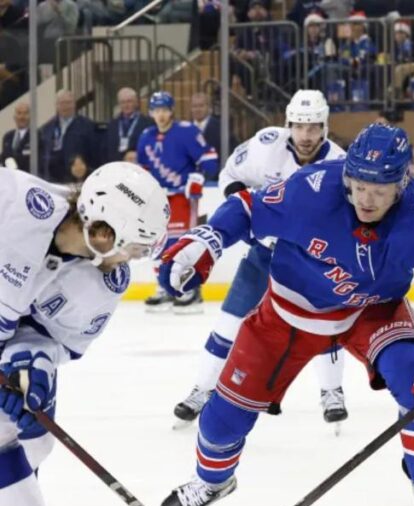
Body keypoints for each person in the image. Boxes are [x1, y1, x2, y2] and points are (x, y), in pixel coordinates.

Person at [155, 124, 414, 506]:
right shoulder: (312, 189)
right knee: (223, 420)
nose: (366, 200)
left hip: (372, 311)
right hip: (288, 314)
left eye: (379, 191)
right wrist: (209, 237)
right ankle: (212, 481)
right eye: (359, 187)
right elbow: (248, 208)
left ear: (402, 184)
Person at [0, 161, 168, 506]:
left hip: (9, 341)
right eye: (134, 246)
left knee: (34, 438)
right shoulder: (15, 204)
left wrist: (33, 360)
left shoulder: (103, 282)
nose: (133, 258)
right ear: (103, 231)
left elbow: (57, 340)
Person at [172, 90, 351, 429]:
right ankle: (202, 389)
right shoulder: (267, 145)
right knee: (228, 322)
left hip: (311, 263)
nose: (306, 135)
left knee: (326, 327)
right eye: (300, 126)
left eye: (314, 127)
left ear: (325, 127)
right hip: (264, 254)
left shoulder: (340, 164)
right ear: (288, 124)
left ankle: (332, 391)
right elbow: (229, 176)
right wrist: (244, 214)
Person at [136, 91, 219, 313]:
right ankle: (165, 287)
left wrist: (199, 177)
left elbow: (210, 160)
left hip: (182, 197)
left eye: (165, 110)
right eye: (156, 110)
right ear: (151, 112)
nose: (161, 115)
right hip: (158, 200)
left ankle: (190, 290)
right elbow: (143, 168)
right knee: (158, 244)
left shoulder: (186, 132)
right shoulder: (146, 136)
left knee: (182, 244)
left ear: (172, 110)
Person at [40, 90, 96, 184]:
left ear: (74, 104)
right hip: (52, 180)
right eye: (62, 103)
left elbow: (94, 154)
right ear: (56, 105)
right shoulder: (47, 128)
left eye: (68, 103)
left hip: (78, 179)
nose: (65, 106)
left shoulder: (87, 125)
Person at [102, 87, 153, 164]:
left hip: (137, 165)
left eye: (129, 101)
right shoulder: (112, 125)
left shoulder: (148, 123)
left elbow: (150, 148)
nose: (126, 105)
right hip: (116, 165)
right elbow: (107, 150)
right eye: (123, 102)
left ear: (136, 102)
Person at [1, 100, 30, 172]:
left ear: (30, 116)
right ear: (14, 117)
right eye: (19, 113)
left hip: (27, 177)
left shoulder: (36, 136)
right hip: (9, 177)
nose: (22, 117)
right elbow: (4, 157)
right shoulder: (7, 137)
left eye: (25, 113)